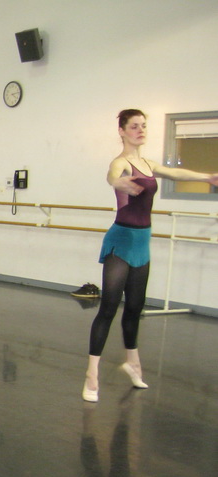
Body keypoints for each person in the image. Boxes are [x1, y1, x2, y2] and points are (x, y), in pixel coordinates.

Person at [82, 109, 218, 402]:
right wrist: (117, 182)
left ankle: (132, 364)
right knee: (109, 308)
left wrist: (208, 177)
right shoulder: (121, 162)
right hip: (121, 241)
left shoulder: (148, 164)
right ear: (122, 131)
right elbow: (112, 174)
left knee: (135, 308)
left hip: (142, 242)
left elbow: (176, 173)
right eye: (134, 126)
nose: (140, 130)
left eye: (143, 126)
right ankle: (92, 374)